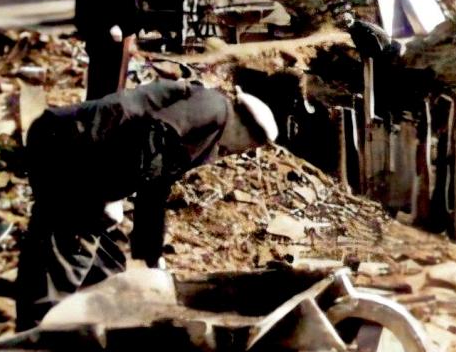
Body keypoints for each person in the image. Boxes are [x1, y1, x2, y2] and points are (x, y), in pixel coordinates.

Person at [15, 79, 280, 330]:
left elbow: (156, 186)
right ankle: (33, 349)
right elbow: (149, 136)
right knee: (70, 241)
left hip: (82, 153)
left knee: (107, 268)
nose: (236, 154)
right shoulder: (213, 108)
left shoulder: (204, 136)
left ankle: (88, 334)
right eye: (246, 147)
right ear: (245, 130)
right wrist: (108, 196)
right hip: (69, 147)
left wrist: (151, 255)